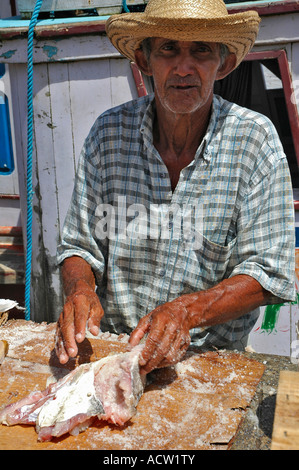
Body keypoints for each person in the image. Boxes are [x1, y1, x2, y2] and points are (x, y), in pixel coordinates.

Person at [55, 0, 296, 374]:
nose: (184, 67)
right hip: (114, 351)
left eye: (201, 50)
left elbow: (268, 273)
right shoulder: (109, 134)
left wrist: (187, 312)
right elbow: (78, 246)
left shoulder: (255, 141)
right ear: (145, 60)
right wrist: (80, 290)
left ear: (224, 63)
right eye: (169, 48)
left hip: (208, 364)